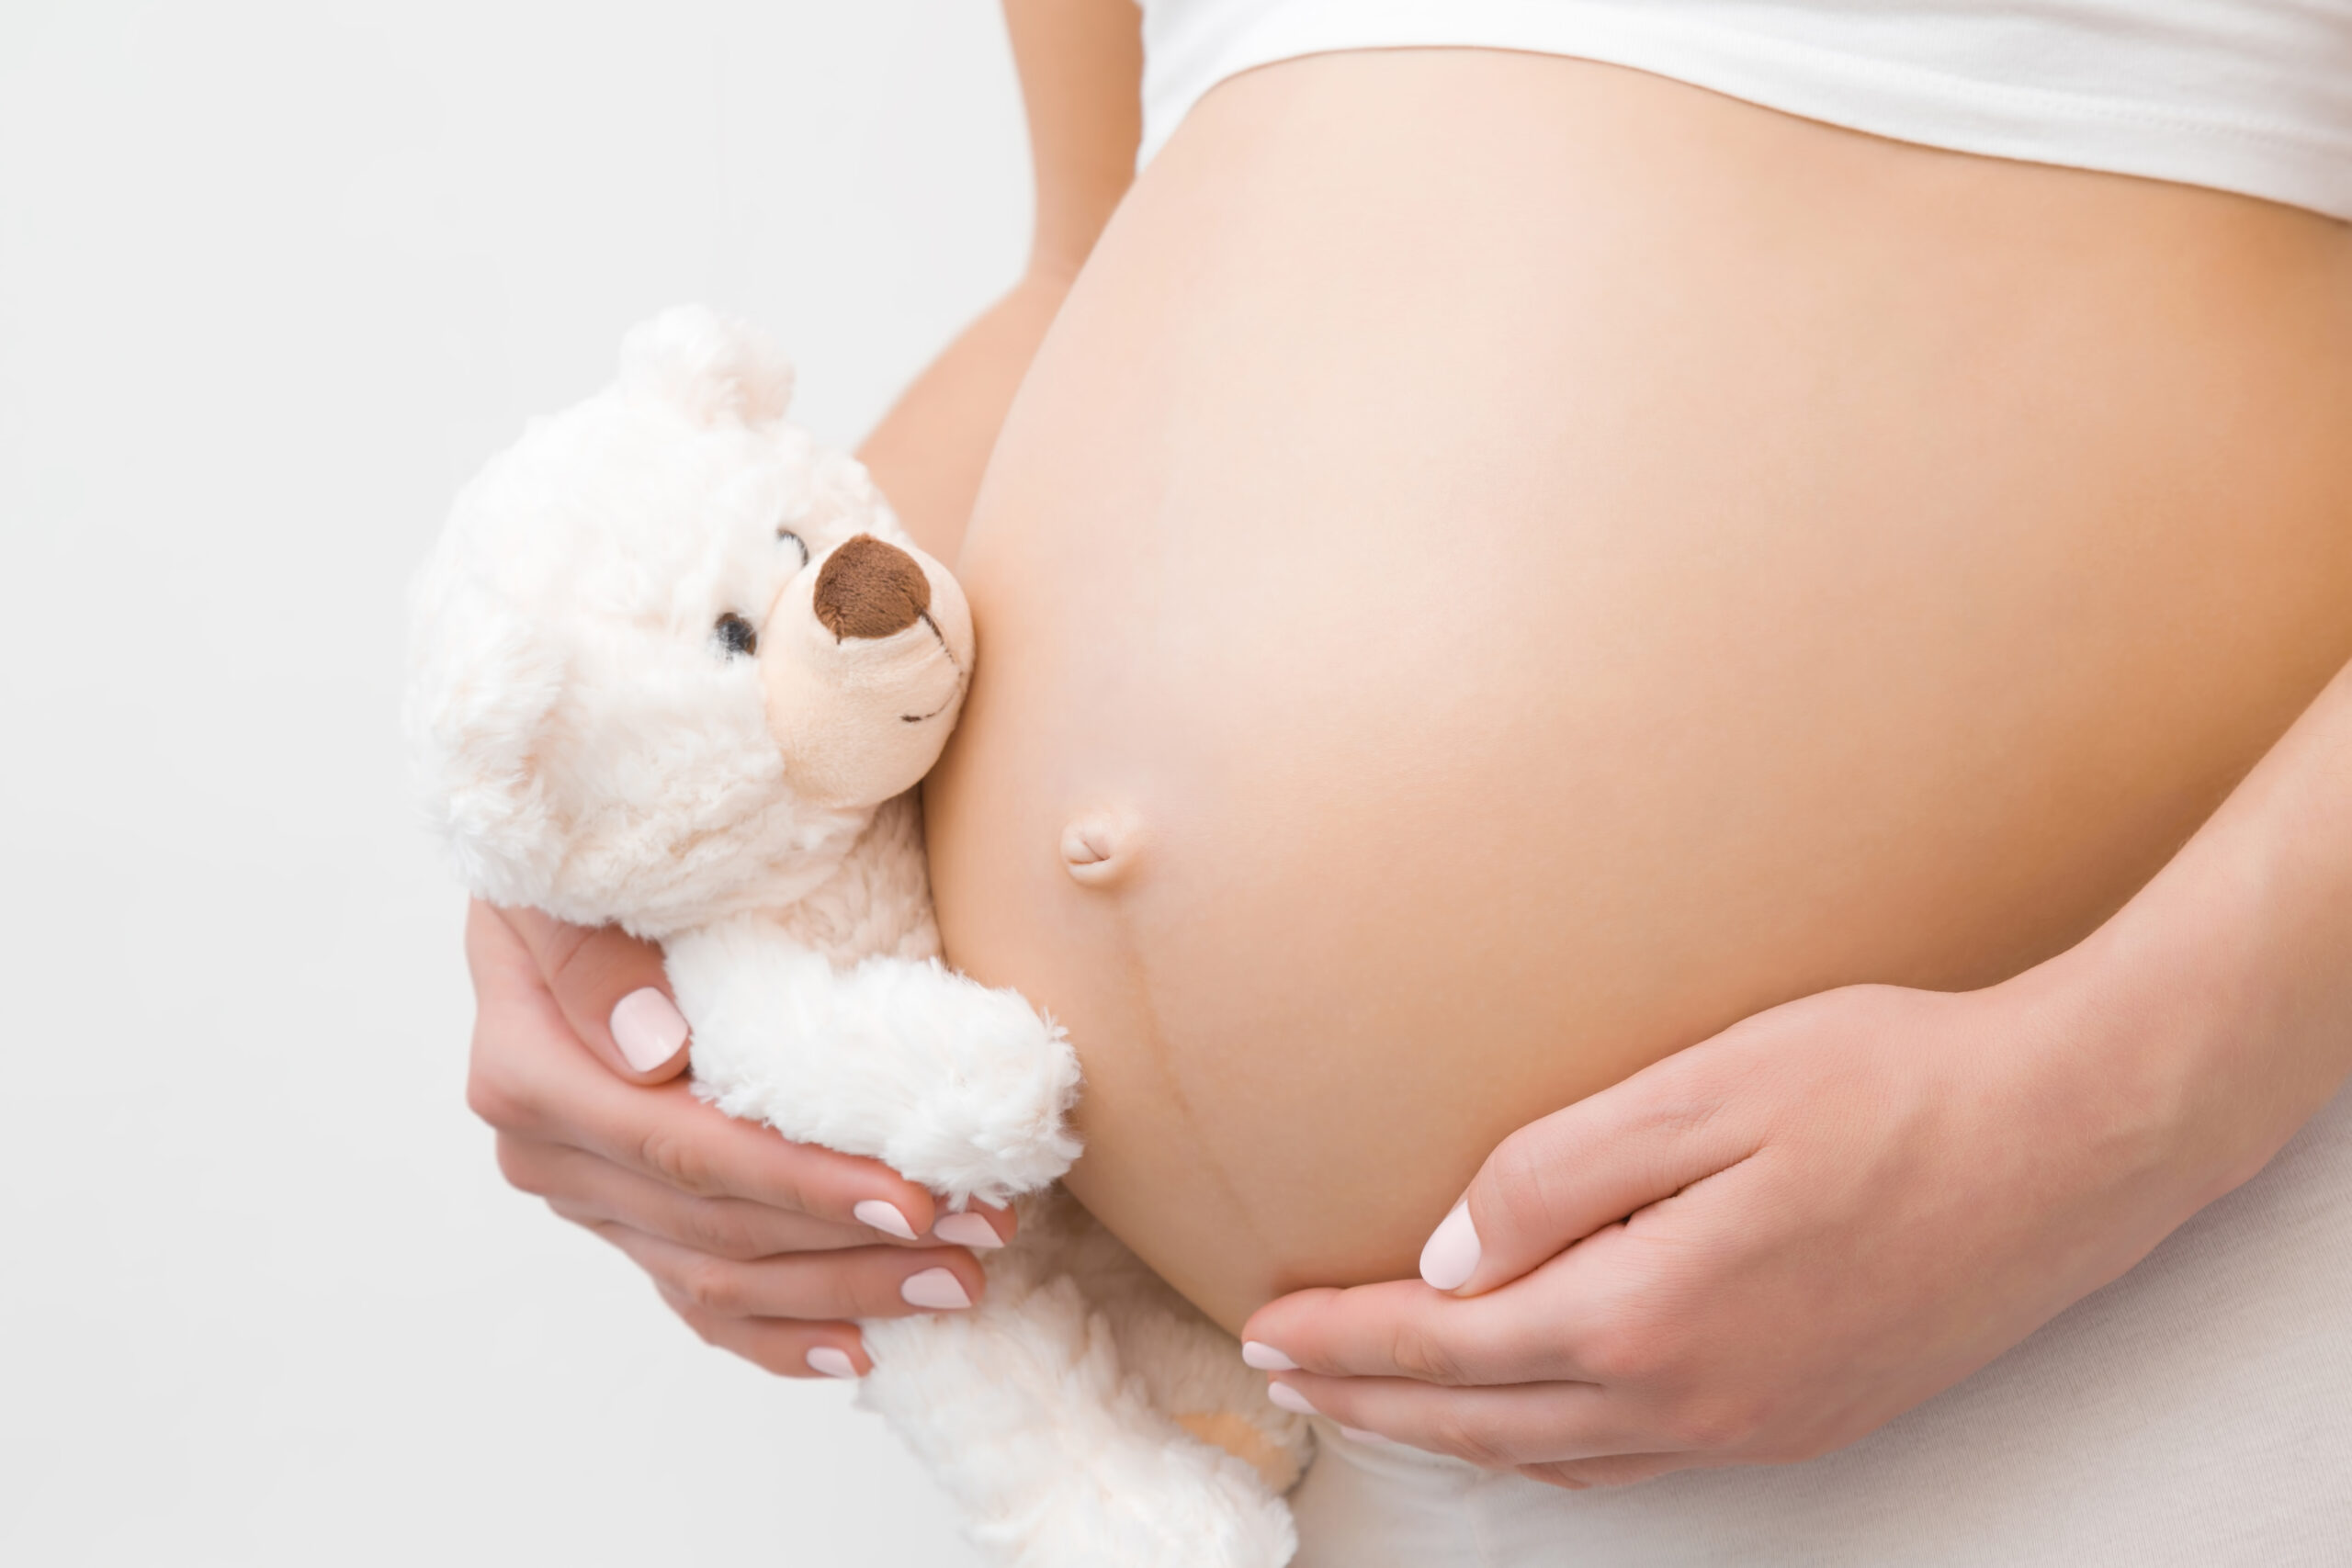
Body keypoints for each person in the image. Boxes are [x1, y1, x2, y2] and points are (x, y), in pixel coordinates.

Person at [461, 1, 2352, 1560]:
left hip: (2090, 1310)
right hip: (1290, 1447)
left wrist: (2128, 1097)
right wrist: (631, 862)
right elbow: (1078, 261)